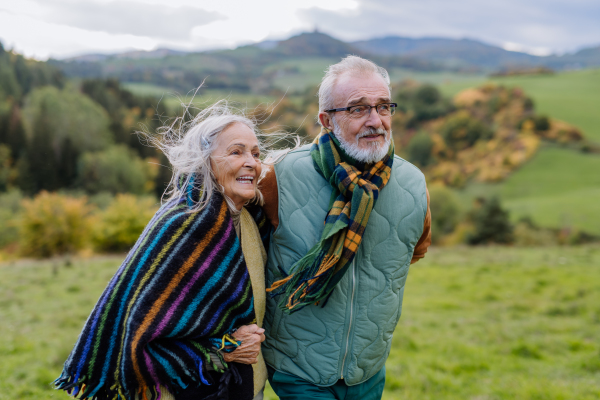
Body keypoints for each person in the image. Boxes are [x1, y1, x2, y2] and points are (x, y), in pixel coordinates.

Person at [55, 103, 270, 400]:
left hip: (243, 388)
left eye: (256, 154)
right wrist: (226, 348)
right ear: (204, 162)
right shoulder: (182, 225)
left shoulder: (247, 219)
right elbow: (139, 342)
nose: (251, 162)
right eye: (236, 152)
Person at [260, 56, 432, 400]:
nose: (376, 121)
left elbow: (413, 252)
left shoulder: (414, 183)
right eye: (358, 109)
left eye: (384, 107)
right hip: (298, 365)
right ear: (326, 120)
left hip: (368, 369)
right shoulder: (279, 176)